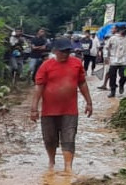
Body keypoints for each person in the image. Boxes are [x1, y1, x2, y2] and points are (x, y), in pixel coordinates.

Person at [30, 37, 94, 174]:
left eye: (68, 51)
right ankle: (52, 162)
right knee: (50, 138)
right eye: (63, 51)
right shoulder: (46, 66)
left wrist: (89, 102)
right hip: (49, 110)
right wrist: (34, 108)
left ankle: (68, 167)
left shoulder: (76, 63)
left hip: (70, 109)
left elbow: (82, 83)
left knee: (69, 137)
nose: (65, 54)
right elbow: (39, 87)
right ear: (55, 51)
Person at [103, 25, 126, 98]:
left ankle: (121, 84)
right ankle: (112, 91)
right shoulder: (112, 38)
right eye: (124, 30)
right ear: (119, 31)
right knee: (112, 76)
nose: (125, 32)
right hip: (114, 60)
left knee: (125, 74)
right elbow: (106, 48)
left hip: (124, 60)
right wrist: (106, 57)